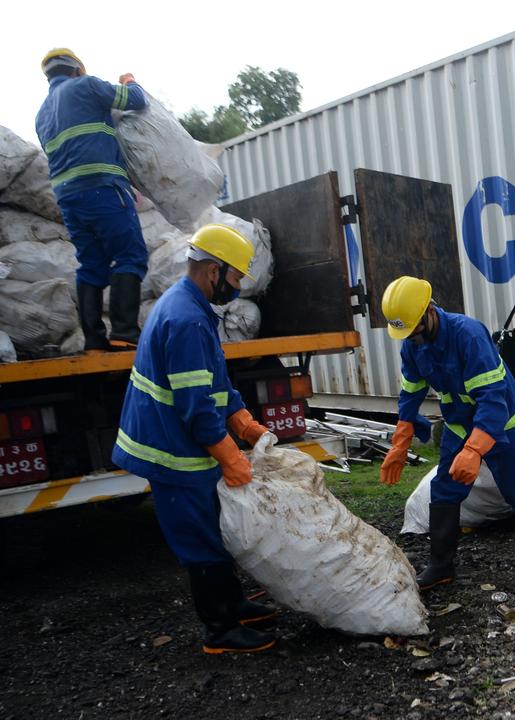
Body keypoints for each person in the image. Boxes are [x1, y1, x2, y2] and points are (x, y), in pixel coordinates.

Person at [112, 224, 279, 655]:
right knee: (199, 537)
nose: (238, 287)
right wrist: (230, 456)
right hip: (170, 451)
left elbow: (213, 381)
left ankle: (232, 602)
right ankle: (220, 631)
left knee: (213, 526)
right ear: (212, 270)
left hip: (180, 441)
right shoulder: (185, 319)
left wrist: (243, 421)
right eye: (236, 277)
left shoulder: (193, 308)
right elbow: (196, 406)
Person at [379, 276, 515, 589]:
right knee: (444, 488)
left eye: (414, 331)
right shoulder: (413, 344)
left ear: (429, 312)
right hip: (460, 425)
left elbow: (492, 401)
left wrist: (474, 451)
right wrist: (401, 439)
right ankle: (441, 565)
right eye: (406, 334)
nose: (412, 340)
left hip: (502, 423)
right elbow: (411, 391)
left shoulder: (468, 335)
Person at [35, 48, 149, 353]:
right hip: (103, 188)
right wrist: (130, 81)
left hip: (69, 199)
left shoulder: (42, 114)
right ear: (76, 69)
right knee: (130, 255)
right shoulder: (86, 86)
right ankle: (125, 332)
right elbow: (136, 100)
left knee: (91, 263)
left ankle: (95, 339)